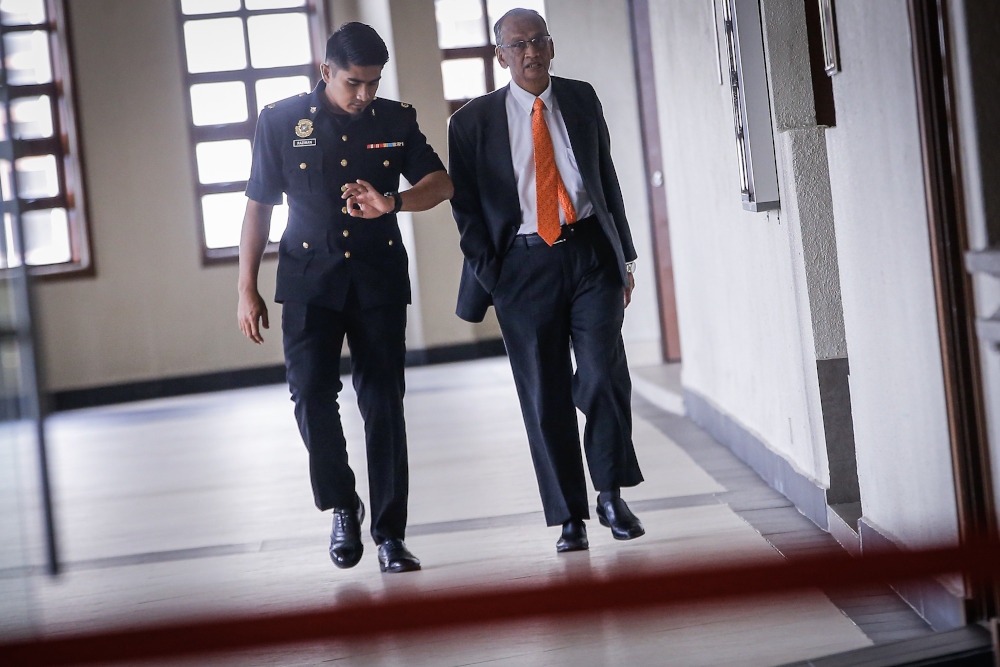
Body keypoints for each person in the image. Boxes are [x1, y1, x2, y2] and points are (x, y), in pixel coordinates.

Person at [237, 22, 453, 573]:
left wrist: (394, 203)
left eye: (373, 84)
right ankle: (341, 503)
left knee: (383, 402)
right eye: (354, 83)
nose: (364, 95)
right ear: (326, 71)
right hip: (309, 281)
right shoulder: (282, 121)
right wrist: (246, 288)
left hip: (377, 279)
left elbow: (440, 182)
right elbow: (259, 206)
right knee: (310, 394)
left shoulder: (394, 119)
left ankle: (390, 535)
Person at [448, 8, 644, 553]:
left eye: (538, 41)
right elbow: (466, 214)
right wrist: (498, 276)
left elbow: (605, 179)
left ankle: (610, 493)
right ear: (501, 57)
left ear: (551, 46)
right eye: (518, 45)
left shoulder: (581, 99)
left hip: (589, 257)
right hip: (523, 267)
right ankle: (568, 517)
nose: (530, 52)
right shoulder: (470, 123)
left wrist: (622, 256)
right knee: (544, 393)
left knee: (603, 374)